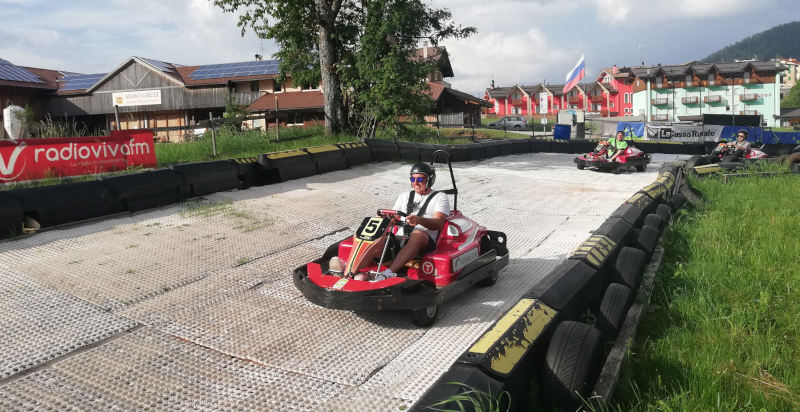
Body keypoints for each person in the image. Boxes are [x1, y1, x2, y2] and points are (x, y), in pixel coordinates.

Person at [331, 162, 450, 281]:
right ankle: (350, 269)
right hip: (400, 238)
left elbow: (438, 223)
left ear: (430, 180)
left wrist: (419, 220)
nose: (415, 182)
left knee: (417, 235)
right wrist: (386, 218)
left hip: (424, 240)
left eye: (420, 179)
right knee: (370, 230)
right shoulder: (405, 196)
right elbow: (394, 216)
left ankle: (388, 273)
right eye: (412, 178)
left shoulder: (440, 197)